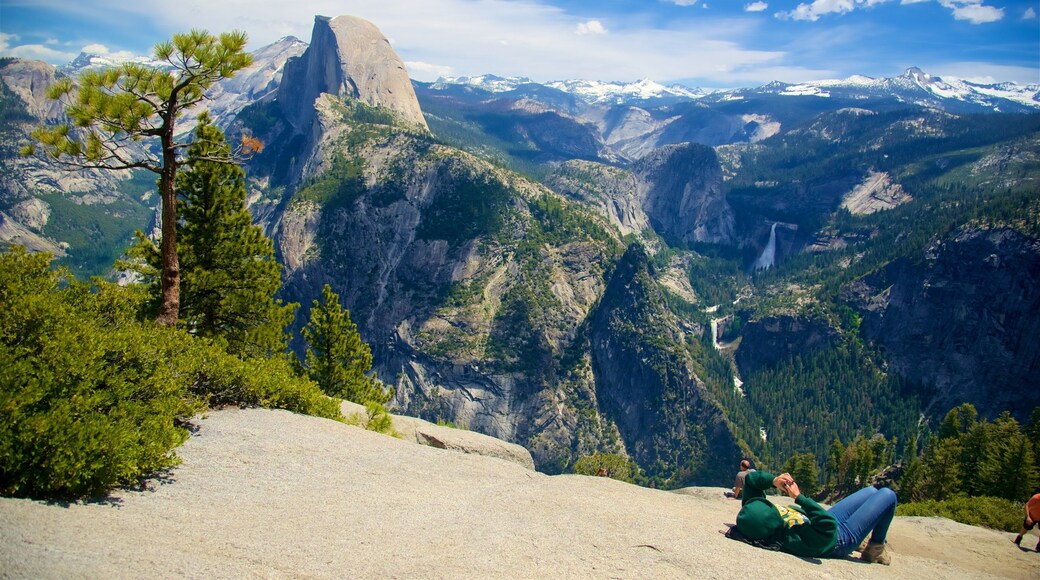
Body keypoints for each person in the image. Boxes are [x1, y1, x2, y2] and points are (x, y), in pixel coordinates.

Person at [732, 470, 896, 564]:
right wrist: (799, 498)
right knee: (888, 496)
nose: (776, 508)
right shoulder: (792, 538)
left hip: (819, 521)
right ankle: (875, 550)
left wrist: (774, 480)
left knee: (871, 491)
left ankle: (865, 537)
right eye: (775, 511)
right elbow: (829, 527)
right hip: (837, 537)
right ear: (775, 525)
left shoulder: (755, 515)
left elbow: (750, 480)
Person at [1012, 487, 1040, 552]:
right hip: (1032, 515)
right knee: (1025, 528)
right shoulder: (1036, 497)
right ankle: (1018, 538)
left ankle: (1039, 546)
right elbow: (1026, 505)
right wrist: (1028, 517)